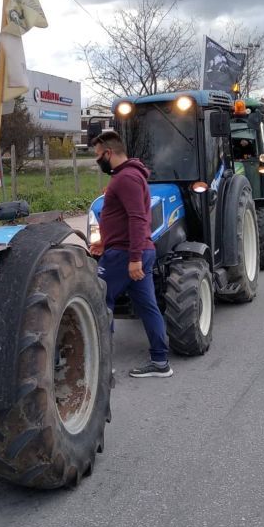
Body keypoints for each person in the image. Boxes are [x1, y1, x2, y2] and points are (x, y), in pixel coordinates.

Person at [88, 129, 172, 378]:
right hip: (130, 249)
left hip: (126, 254)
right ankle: (160, 362)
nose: (97, 161)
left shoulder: (126, 178)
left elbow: (137, 219)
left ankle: (102, 366)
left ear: (108, 153)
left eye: (98, 156)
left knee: (98, 299)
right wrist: (105, 242)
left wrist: (134, 258)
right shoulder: (130, 176)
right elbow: (123, 218)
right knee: (147, 305)